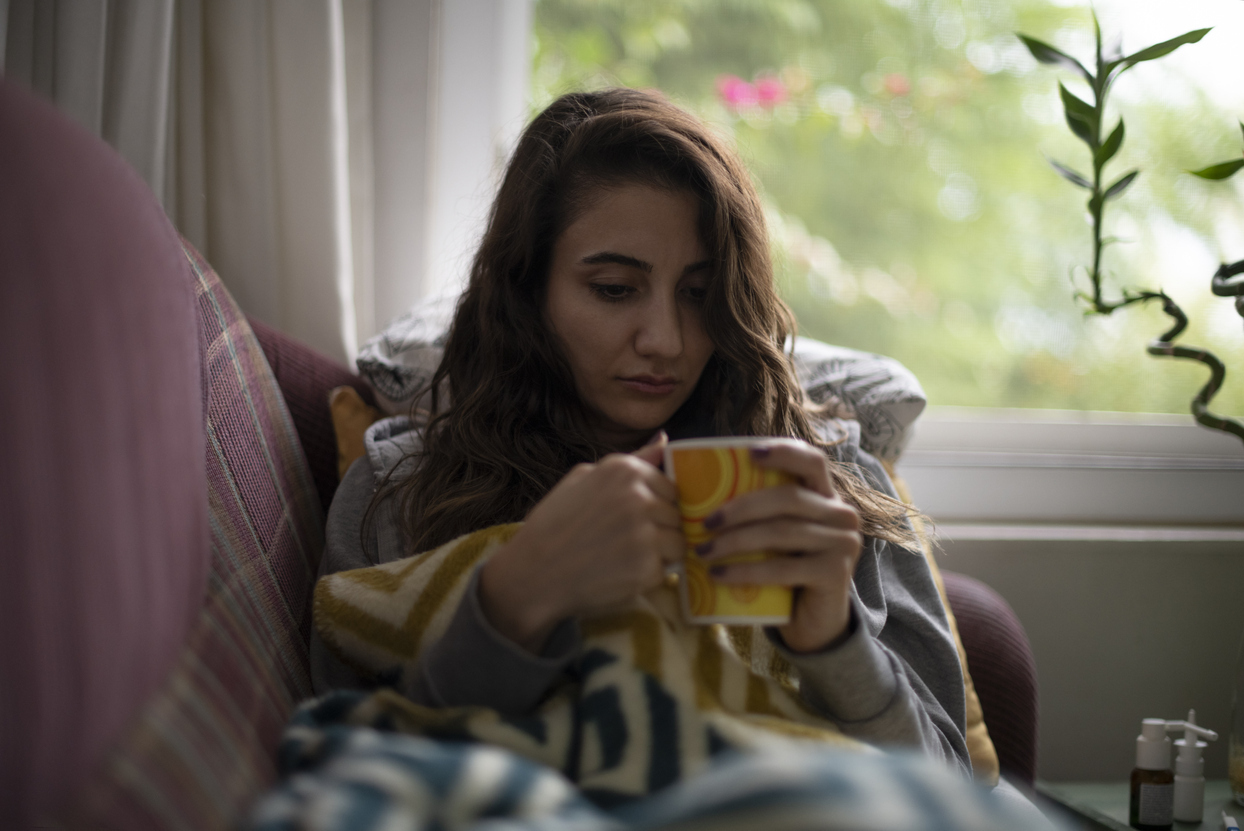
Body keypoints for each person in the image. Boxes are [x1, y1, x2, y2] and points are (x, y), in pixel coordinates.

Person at [313, 87, 970, 775]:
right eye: (615, 289)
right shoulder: (401, 491)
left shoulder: (832, 487)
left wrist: (836, 644)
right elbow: (353, 782)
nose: (666, 341)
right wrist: (512, 602)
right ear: (528, 291)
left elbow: (952, 794)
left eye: (699, 294)